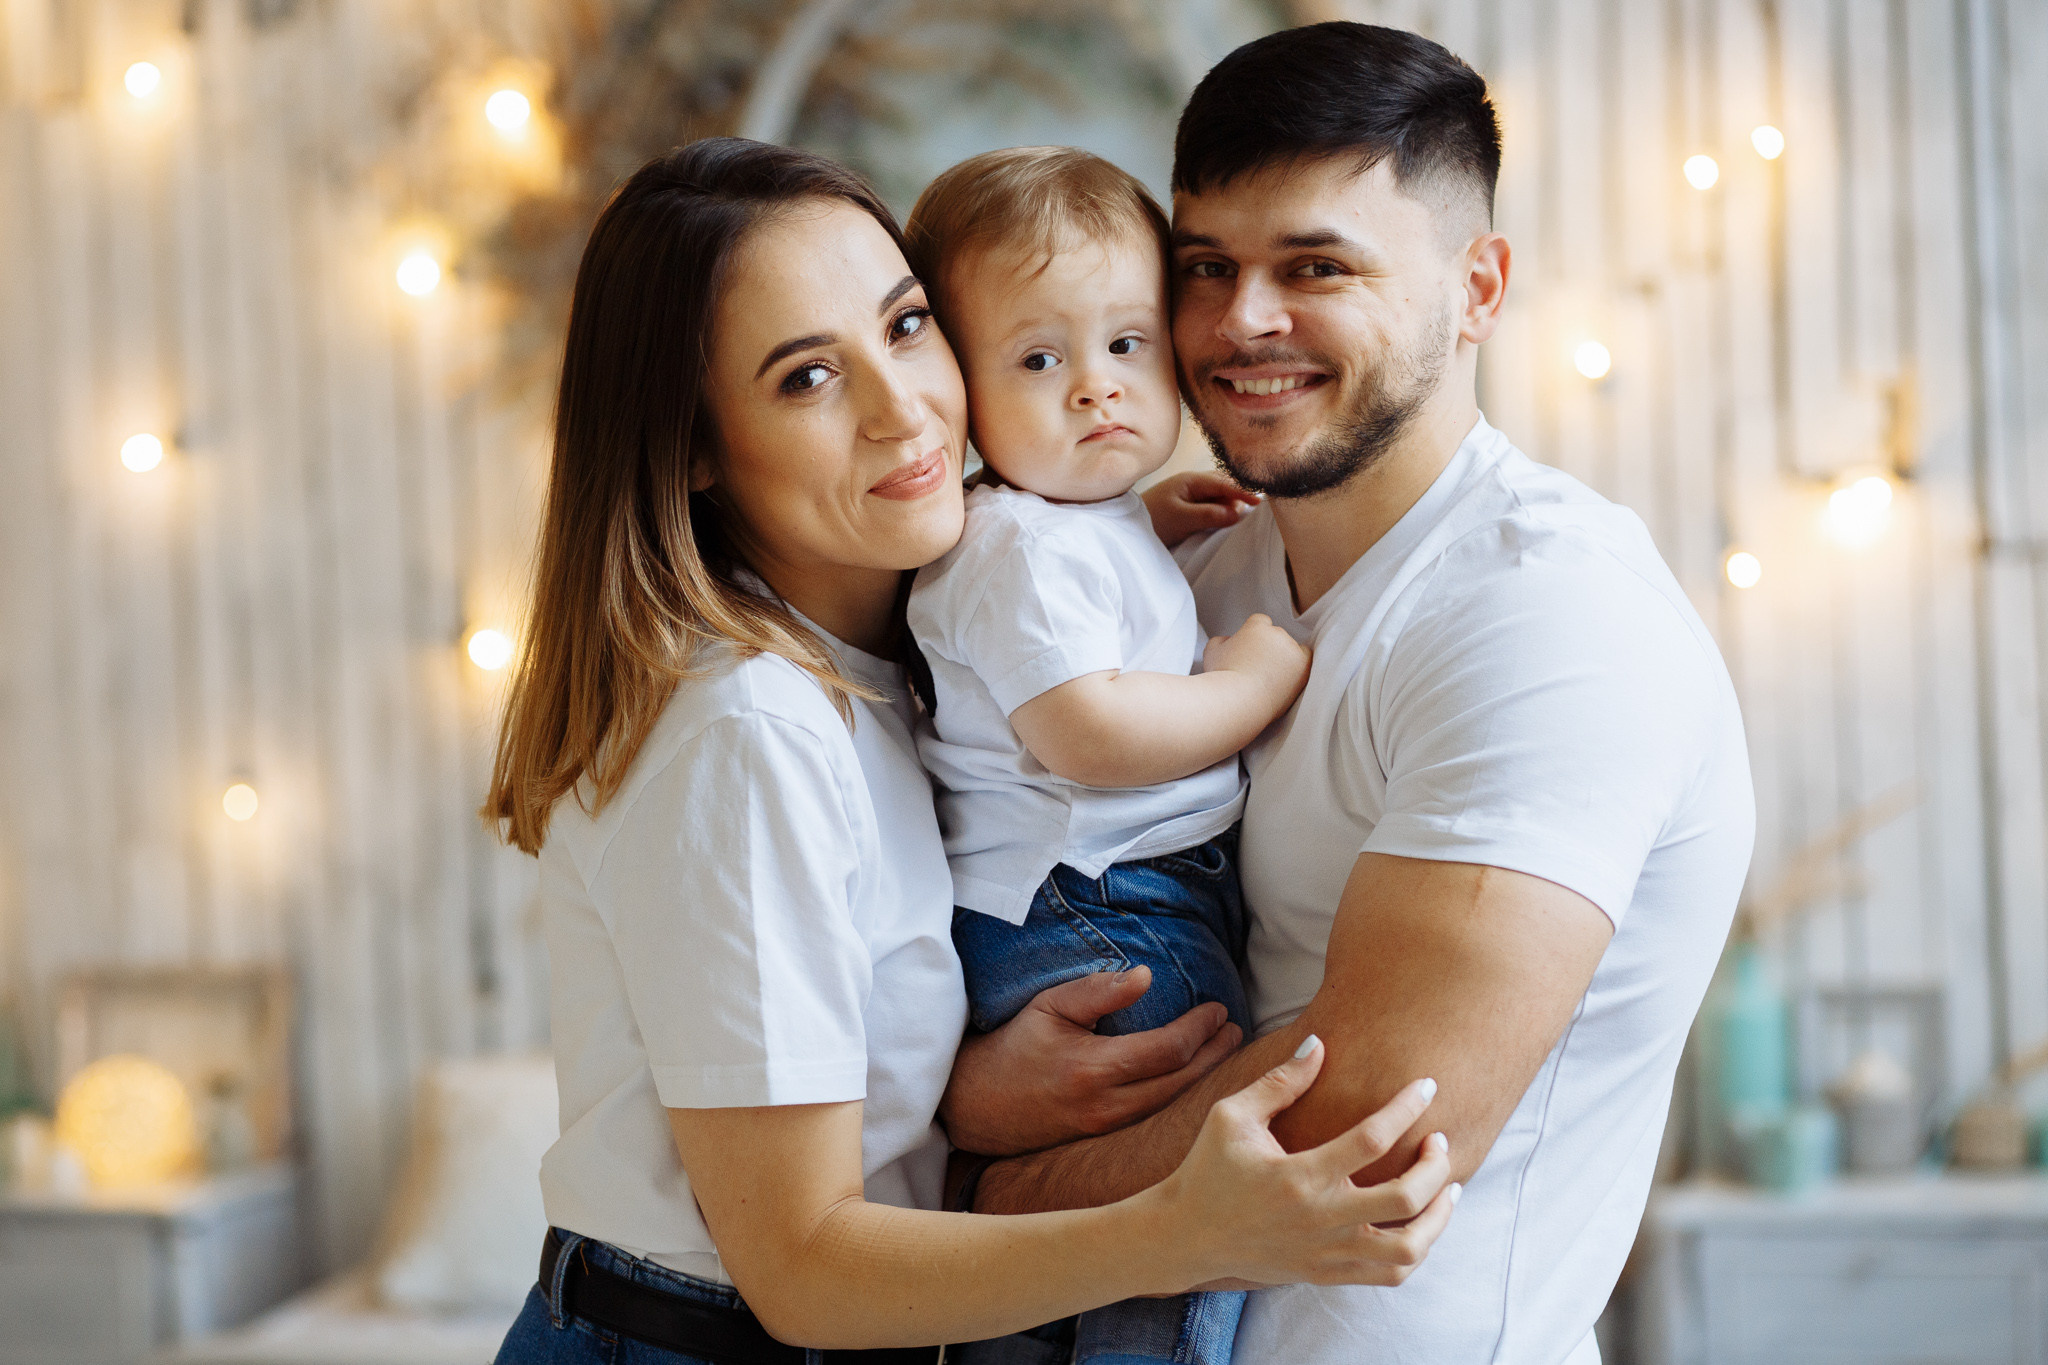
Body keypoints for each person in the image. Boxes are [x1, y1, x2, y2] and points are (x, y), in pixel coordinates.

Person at [484, 136, 1459, 1365]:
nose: (904, 410)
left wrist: (964, 1093)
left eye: (903, 328)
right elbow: (800, 1268)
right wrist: (1180, 1227)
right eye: (803, 379)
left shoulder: (893, 668)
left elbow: (838, 1060)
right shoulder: (750, 733)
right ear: (687, 446)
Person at [949, 24, 1757, 1365]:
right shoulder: (1185, 571)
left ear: (1479, 286)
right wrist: (974, 1095)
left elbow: (1361, 1135)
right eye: (1205, 268)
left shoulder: (1551, 612)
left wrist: (969, 1197)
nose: (1239, 321)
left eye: (1314, 267)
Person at [901, 146, 1306, 1365]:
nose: (1097, 390)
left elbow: (1086, 605)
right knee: (1185, 1197)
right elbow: (1090, 731)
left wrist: (1147, 520)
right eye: (1039, 360)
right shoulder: (1016, 547)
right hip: (1105, 913)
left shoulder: (1070, 524)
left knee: (1064, 1228)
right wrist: (1250, 684)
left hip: (1084, 907)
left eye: (1128, 346)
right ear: (959, 386)